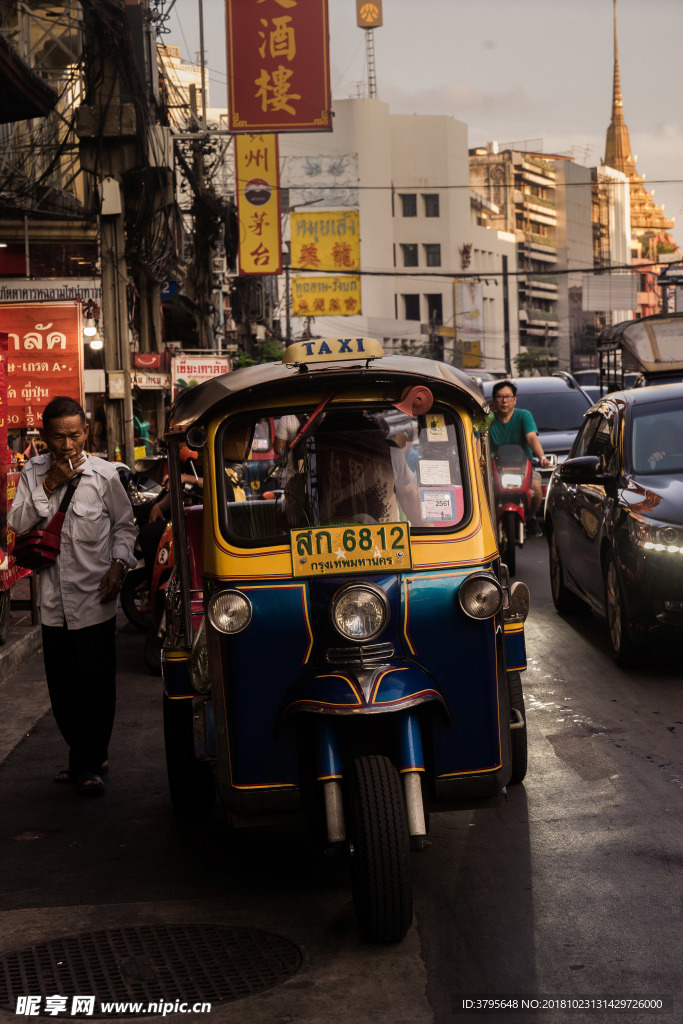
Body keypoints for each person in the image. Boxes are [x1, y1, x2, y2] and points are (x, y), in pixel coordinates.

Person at [8, 396, 136, 796]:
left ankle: (87, 762)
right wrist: (49, 485)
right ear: (45, 435)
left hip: (95, 597)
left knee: (95, 685)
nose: (67, 445)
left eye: (75, 435)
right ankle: (86, 755)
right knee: (62, 687)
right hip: (52, 601)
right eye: (59, 437)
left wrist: (118, 565)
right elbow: (17, 522)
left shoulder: (105, 475)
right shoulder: (33, 472)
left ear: (87, 432)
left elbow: (125, 528)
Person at [488, 380, 551, 536]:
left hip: (524, 469)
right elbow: (477, 441)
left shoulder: (524, 416)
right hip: (494, 470)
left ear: (514, 399)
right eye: (500, 397)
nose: (504, 401)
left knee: (536, 488)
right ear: (494, 399)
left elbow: (531, 438)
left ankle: (531, 518)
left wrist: (541, 457)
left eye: (508, 396)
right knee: (482, 492)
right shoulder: (487, 419)